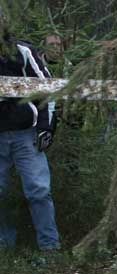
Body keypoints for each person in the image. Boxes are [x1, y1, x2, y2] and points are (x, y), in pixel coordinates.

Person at [0, 19, 60, 252]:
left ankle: (50, 249)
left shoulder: (22, 51)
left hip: (27, 134)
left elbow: (49, 88)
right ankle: (4, 248)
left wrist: (47, 127)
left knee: (39, 191)